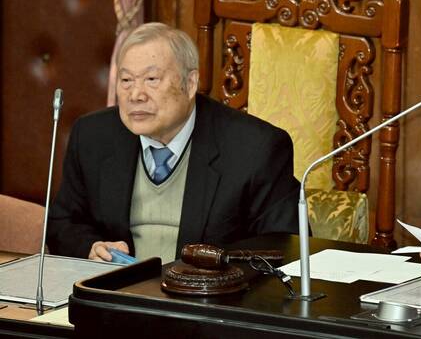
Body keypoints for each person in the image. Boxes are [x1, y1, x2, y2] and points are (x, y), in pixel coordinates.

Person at [47, 23, 300, 262]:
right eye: (126, 81)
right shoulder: (93, 136)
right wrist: (91, 247)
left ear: (190, 84)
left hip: (206, 292)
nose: (136, 95)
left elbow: (282, 247)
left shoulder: (255, 148)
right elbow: (63, 223)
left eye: (151, 79)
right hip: (114, 289)